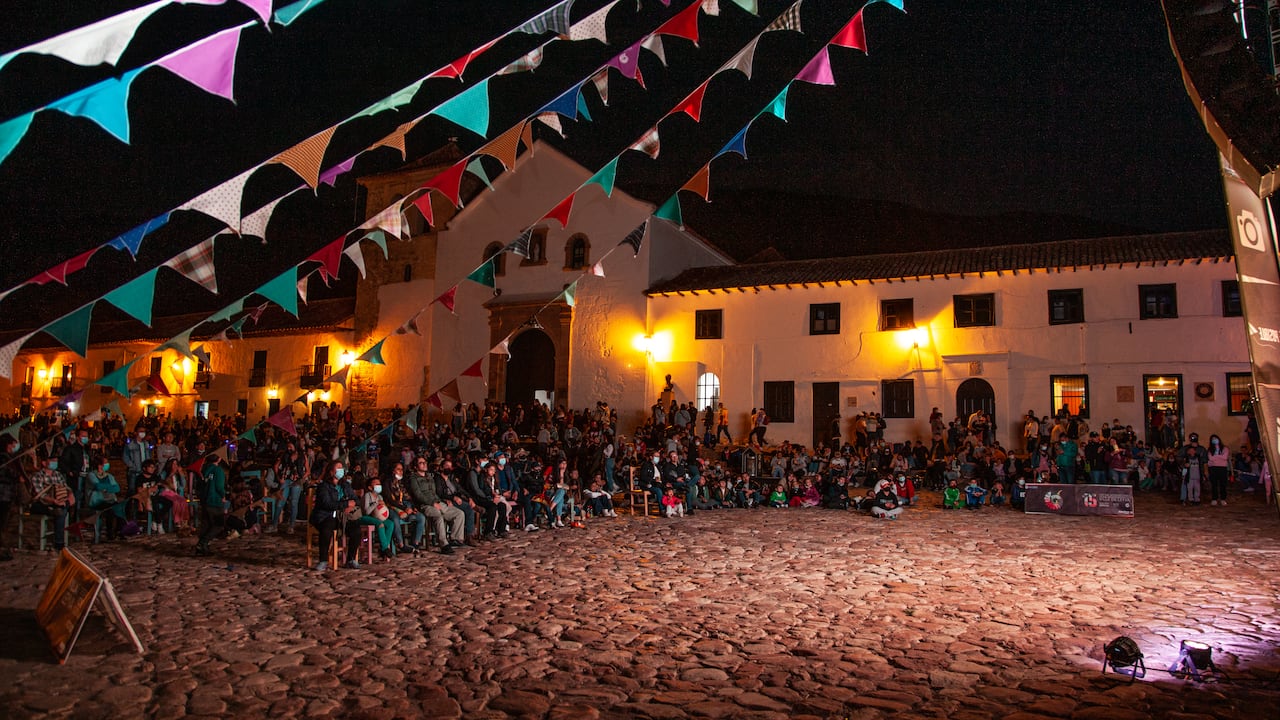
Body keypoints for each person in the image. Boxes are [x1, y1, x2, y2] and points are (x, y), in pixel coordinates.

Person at [309, 461, 362, 571]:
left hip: (343, 516)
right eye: (338, 467)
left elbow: (356, 500)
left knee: (356, 530)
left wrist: (351, 505)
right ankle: (323, 560)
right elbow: (327, 504)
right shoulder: (324, 486)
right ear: (331, 471)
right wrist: (345, 504)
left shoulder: (345, 485)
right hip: (325, 516)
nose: (341, 470)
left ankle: (350, 559)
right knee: (326, 529)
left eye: (341, 467)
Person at [408, 456, 464, 553]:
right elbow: (418, 495)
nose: (424, 464)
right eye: (421, 463)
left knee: (459, 513)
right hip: (425, 505)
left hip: (437, 502)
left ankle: (455, 539)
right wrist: (432, 503)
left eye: (425, 462)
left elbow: (435, 493)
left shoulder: (429, 477)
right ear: (416, 466)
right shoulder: (413, 478)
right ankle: (444, 545)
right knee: (438, 516)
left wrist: (444, 500)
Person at [29, 454, 74, 552]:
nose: (55, 463)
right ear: (44, 462)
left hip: (58, 502)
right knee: (61, 511)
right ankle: (59, 543)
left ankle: (59, 543)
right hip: (41, 504)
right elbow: (40, 495)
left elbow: (66, 488)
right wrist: (53, 501)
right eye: (52, 461)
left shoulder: (58, 475)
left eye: (56, 461)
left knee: (61, 509)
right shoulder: (37, 476)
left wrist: (70, 495)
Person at [195, 453, 227, 556]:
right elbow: (219, 486)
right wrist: (223, 495)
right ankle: (203, 543)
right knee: (218, 525)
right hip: (215, 500)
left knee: (207, 524)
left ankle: (202, 547)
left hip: (205, 499)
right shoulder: (218, 470)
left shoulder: (204, 469)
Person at [0, 434, 20, 559]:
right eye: (13, 445)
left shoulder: (9, 457)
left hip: (7, 494)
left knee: (4, 522)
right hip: (3, 494)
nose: (14, 447)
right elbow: (4, 473)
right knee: (2, 522)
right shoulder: (3, 458)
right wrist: (16, 476)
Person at [1181, 433, 1207, 506]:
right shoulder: (1186, 452)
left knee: (1197, 488)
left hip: (1197, 476)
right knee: (1189, 488)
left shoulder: (1201, 451)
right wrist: (1183, 473)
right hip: (1189, 476)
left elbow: (1204, 462)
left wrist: (1204, 473)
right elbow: (1180, 459)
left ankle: (1197, 499)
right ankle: (1189, 499)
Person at [1205, 434, 1231, 506]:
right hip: (1213, 468)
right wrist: (1220, 457)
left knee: (1223, 484)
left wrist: (1215, 457)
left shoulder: (1225, 448)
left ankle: (1223, 499)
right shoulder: (1210, 449)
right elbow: (1210, 458)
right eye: (1213, 439)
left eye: (1215, 438)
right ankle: (1214, 498)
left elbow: (1225, 457)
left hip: (1222, 468)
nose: (1214, 440)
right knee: (1214, 484)